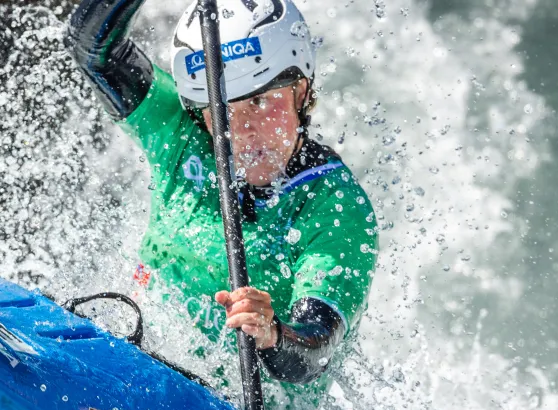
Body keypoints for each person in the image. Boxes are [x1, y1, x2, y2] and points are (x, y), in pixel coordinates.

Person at [66, 0, 378, 387]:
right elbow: (94, 51)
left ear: (301, 91)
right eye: (224, 110)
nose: (243, 131)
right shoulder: (180, 133)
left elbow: (316, 349)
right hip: (134, 369)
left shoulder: (335, 206)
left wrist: (273, 333)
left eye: (260, 101)